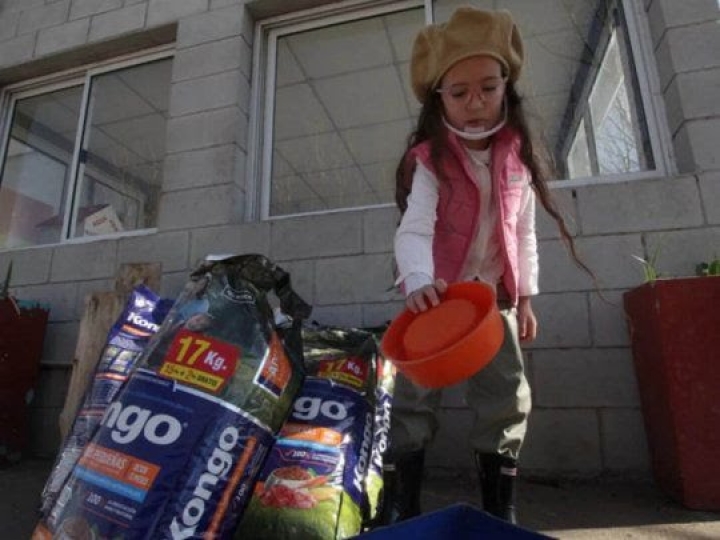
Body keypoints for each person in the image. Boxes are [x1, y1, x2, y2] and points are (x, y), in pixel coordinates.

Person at [386, 7, 592, 525]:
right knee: (412, 397)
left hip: (492, 301)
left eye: (488, 88)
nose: (475, 103)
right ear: (438, 99)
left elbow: (523, 231)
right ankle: (400, 504)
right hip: (435, 298)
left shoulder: (517, 157)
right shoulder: (432, 159)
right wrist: (416, 282)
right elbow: (414, 228)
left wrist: (524, 297)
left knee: (505, 395)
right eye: (459, 93)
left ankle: (500, 511)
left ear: (507, 87)